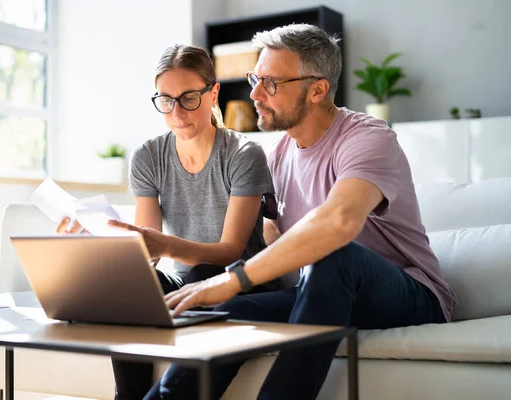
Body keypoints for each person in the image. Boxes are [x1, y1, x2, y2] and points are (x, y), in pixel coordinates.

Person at [144, 24, 458, 400]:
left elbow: (339, 222)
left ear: (318, 89)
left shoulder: (368, 137)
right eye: (255, 78)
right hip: (321, 293)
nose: (255, 93)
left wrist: (233, 279)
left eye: (271, 83)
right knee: (226, 312)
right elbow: (273, 236)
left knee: (333, 256)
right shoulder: (277, 155)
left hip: (408, 294)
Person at [60, 44, 278, 399]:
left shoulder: (243, 154)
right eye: (165, 100)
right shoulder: (148, 156)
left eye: (189, 98)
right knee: (131, 279)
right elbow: (148, 252)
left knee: (202, 274)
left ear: (213, 94)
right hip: (178, 282)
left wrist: (161, 244)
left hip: (237, 284)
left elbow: (230, 252)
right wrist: (95, 237)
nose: (176, 112)